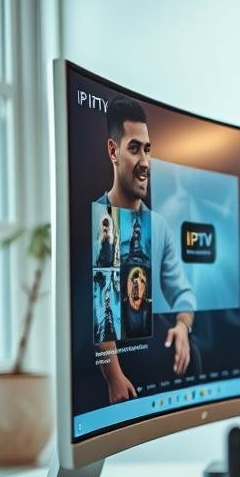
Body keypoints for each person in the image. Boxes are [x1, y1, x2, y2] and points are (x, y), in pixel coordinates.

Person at [95, 96, 197, 402]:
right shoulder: (96, 220)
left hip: (147, 362)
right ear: (113, 151)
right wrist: (113, 377)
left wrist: (182, 326)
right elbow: (101, 311)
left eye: (148, 150)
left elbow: (183, 292)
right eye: (134, 148)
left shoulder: (159, 227)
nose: (145, 162)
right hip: (107, 372)